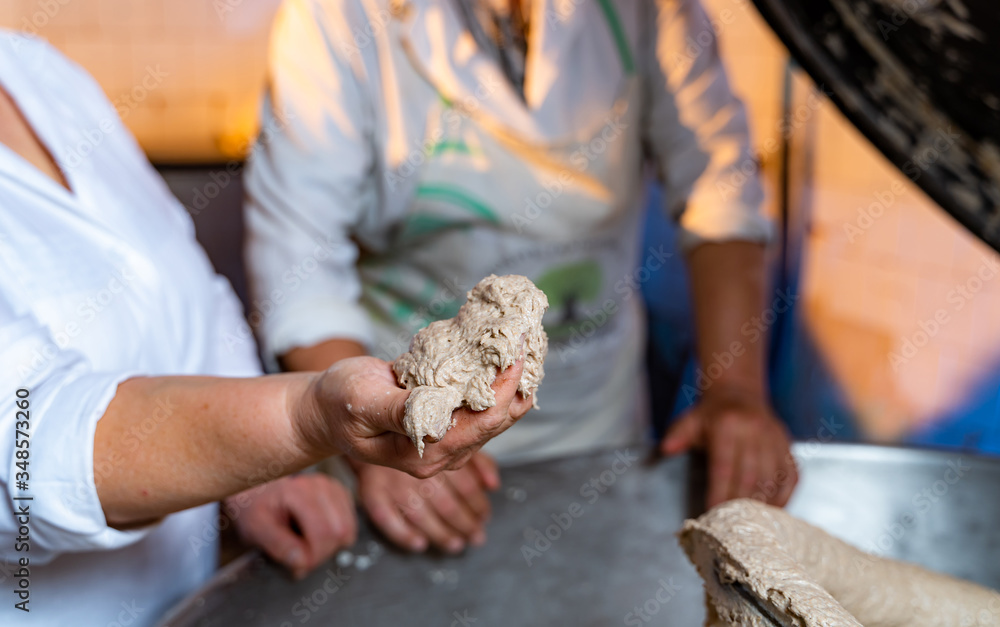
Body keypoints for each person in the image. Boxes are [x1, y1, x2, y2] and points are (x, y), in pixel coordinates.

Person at [0, 31, 531, 627]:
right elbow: (28, 444)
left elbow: (188, 298)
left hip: (194, 600)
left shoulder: (35, 69)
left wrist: (242, 481)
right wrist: (304, 418)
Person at [244, 0, 799, 556]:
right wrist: (376, 436)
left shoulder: (652, 11)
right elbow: (299, 267)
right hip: (402, 442)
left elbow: (721, 196)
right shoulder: (336, 18)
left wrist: (736, 392)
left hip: (594, 428)